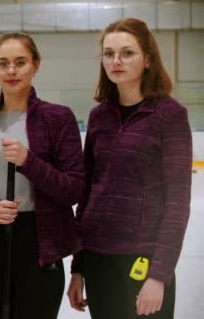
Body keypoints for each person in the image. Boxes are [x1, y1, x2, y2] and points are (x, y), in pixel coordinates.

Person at [67, 18, 192, 319]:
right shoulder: (99, 117)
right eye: (108, 54)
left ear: (148, 59)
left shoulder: (170, 115)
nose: (116, 61)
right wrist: (79, 266)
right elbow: (87, 194)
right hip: (98, 259)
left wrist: (159, 275)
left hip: (143, 261)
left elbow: (177, 202)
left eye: (127, 53)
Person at [0, 32, 85, 319]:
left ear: (36, 65)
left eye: (20, 62)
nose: (12, 71)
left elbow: (74, 189)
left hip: (39, 244)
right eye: (3, 63)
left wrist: (29, 162)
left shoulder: (58, 118)